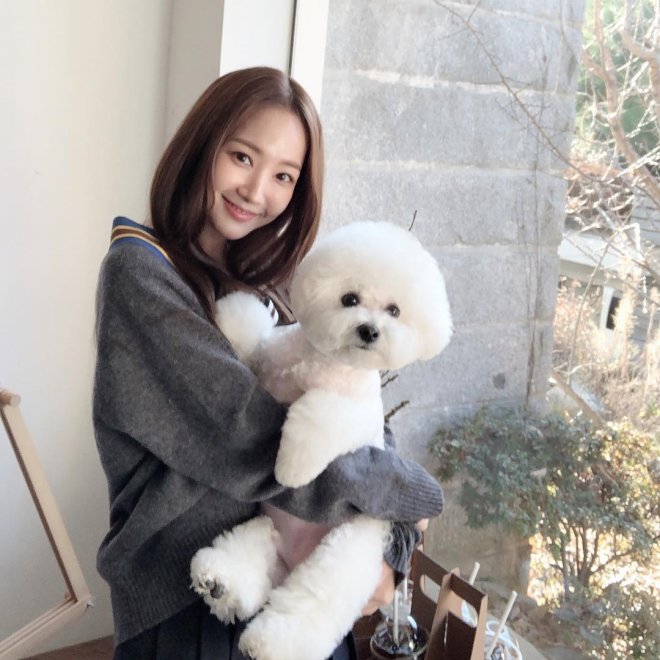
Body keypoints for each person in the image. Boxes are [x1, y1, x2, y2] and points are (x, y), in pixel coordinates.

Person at [93, 66, 444, 660]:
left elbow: (356, 400)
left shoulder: (271, 283)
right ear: (202, 146)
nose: (257, 191)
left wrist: (390, 546)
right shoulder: (141, 274)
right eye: (242, 157)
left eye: (284, 175)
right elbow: (251, 440)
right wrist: (405, 497)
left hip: (297, 586)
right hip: (192, 602)